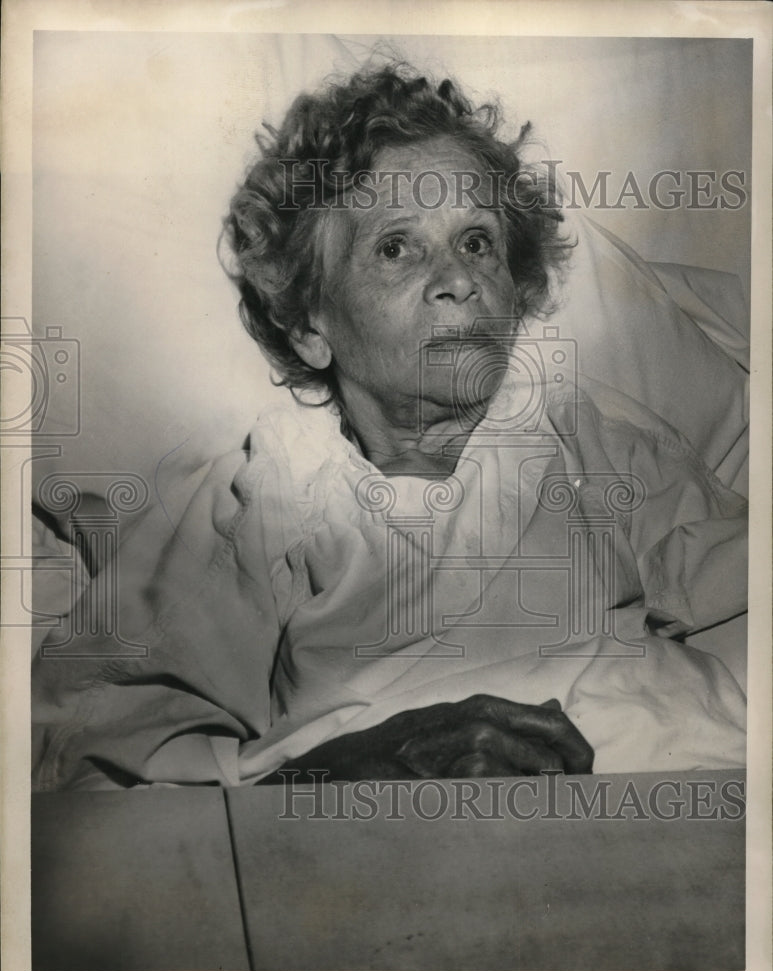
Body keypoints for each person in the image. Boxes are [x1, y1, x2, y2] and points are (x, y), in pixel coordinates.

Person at [31, 62, 747, 791]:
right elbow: (93, 753)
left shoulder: (588, 442)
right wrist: (334, 776)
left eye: (476, 242)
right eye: (395, 248)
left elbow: (740, 593)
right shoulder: (256, 500)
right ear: (311, 324)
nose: (457, 278)